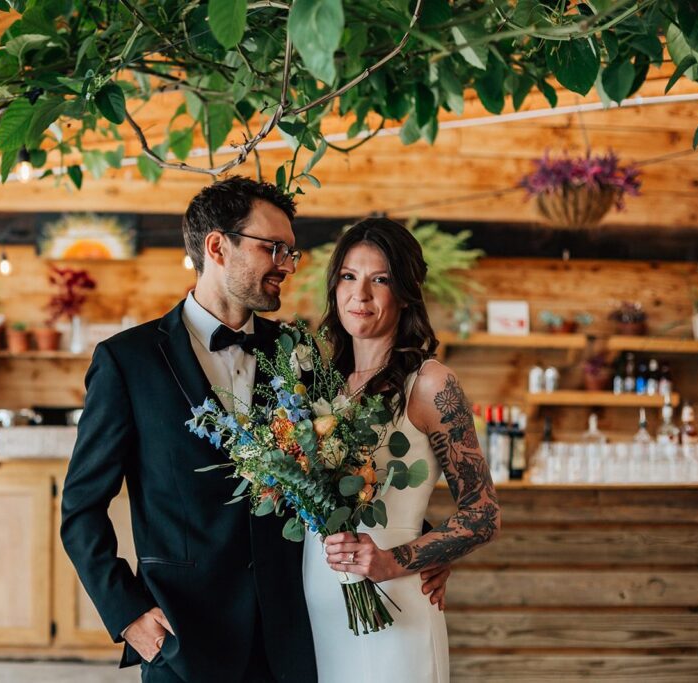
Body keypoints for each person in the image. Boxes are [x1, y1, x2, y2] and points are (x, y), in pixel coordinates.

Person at [60, 178, 449, 683]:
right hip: (184, 637)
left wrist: (423, 547)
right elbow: (81, 509)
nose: (287, 265)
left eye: (291, 251)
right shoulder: (126, 362)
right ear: (218, 247)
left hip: (294, 633)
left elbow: (347, 465)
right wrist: (128, 614)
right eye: (274, 249)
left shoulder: (298, 353)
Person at [304, 218, 501, 682]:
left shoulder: (431, 384)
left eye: (381, 280)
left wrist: (400, 559)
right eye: (349, 277)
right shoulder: (321, 384)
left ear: (407, 291)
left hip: (395, 608)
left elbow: (483, 512)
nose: (361, 296)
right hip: (319, 607)